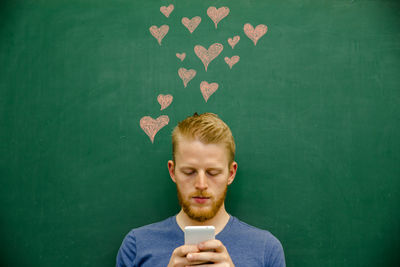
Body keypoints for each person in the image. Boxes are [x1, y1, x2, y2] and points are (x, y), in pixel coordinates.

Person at [116, 112, 285, 267]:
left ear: (231, 173)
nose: (201, 184)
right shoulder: (136, 245)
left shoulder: (266, 249)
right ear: (172, 171)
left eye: (213, 173)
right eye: (189, 172)